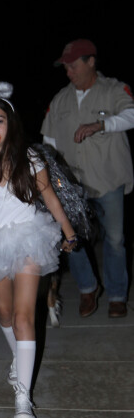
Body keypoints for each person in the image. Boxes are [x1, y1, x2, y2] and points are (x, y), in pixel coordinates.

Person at [0, 82, 77, 418]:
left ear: (10, 124)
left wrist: (69, 233)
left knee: (26, 317)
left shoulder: (30, 157)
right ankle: (19, 364)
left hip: (29, 239)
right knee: (6, 315)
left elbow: (50, 199)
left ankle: (23, 396)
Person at [41, 39, 134, 318]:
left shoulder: (114, 89)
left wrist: (100, 125)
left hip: (108, 179)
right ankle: (87, 289)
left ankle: (117, 294)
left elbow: (131, 114)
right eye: (66, 67)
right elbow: (48, 141)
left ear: (91, 61)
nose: (68, 71)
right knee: (71, 238)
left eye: (73, 65)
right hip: (73, 186)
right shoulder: (60, 99)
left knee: (115, 240)